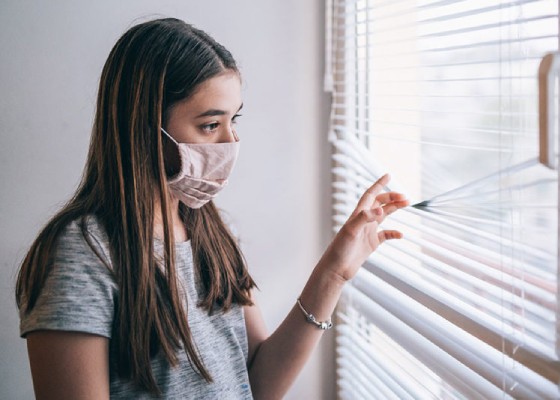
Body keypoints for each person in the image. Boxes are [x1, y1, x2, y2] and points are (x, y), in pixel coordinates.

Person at [15, 17, 409, 399]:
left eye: (233, 120)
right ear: (144, 126)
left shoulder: (210, 230)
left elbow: (256, 386)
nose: (231, 141)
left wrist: (333, 273)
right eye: (209, 125)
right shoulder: (81, 255)